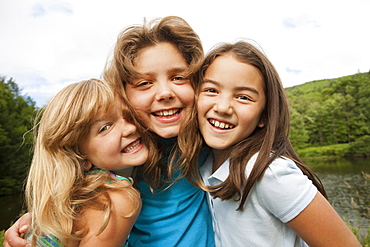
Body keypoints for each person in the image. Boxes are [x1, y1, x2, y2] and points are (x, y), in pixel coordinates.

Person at [4, 16, 215, 247]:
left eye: (179, 77)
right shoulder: (116, 164)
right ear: (124, 92)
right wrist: (38, 224)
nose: (165, 92)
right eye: (144, 83)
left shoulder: (209, 136)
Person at [178, 41, 361, 246]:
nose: (222, 107)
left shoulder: (269, 173)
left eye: (243, 97)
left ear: (264, 115)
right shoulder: (206, 164)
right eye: (211, 90)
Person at [21, 78, 155, 246]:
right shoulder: (116, 201)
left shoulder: (74, 196)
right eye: (105, 128)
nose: (131, 128)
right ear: (80, 157)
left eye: (128, 116)